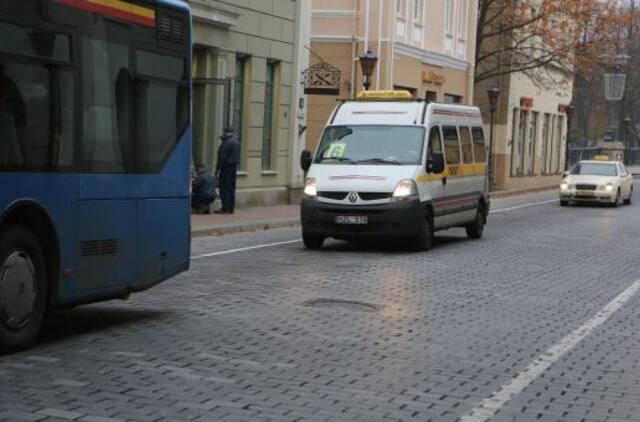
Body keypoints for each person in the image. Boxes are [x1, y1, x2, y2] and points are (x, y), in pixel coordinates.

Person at [215, 125, 240, 214]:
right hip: (234, 167)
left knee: (224, 188)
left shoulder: (226, 143)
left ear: (225, 132)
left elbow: (222, 158)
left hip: (226, 167)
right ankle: (231, 208)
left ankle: (225, 208)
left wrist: (217, 169)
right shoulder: (236, 142)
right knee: (231, 188)